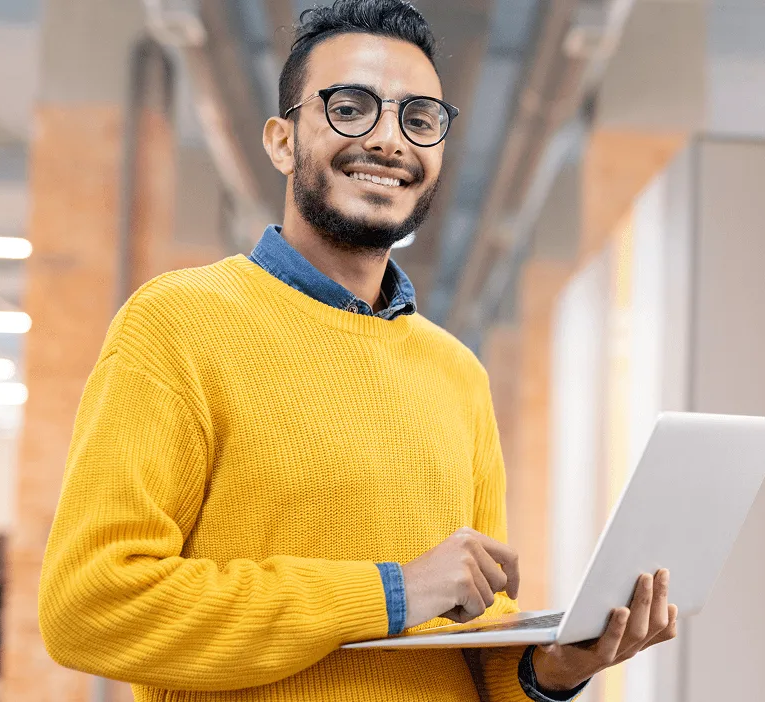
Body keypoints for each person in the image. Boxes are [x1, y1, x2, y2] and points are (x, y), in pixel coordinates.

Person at [35, 1, 676, 700]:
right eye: (350, 107)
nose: (388, 140)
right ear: (281, 141)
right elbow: (90, 608)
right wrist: (393, 591)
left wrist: (553, 667)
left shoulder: (456, 373)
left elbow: (470, 641)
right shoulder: (178, 324)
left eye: (419, 120)